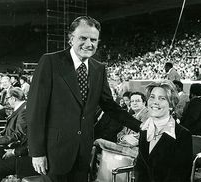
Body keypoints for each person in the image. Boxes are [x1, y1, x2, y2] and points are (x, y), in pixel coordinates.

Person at [27, 16, 141, 182]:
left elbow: (110, 106)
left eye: (93, 39)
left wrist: (142, 126)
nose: (89, 44)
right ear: (70, 38)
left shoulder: (99, 68)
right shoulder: (50, 62)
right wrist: (37, 152)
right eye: (83, 38)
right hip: (54, 154)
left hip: (83, 153)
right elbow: (35, 110)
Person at [135, 79, 193, 182]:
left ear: (171, 104)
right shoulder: (144, 130)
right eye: (152, 97)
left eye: (162, 98)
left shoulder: (183, 135)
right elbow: (141, 170)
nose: (155, 102)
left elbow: (180, 177)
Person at [0, 87, 28, 181]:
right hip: (10, 144)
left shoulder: (23, 110)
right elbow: (10, 129)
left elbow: (18, 134)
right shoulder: (20, 109)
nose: (7, 101)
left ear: (13, 98)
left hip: (16, 148)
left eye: (7, 98)